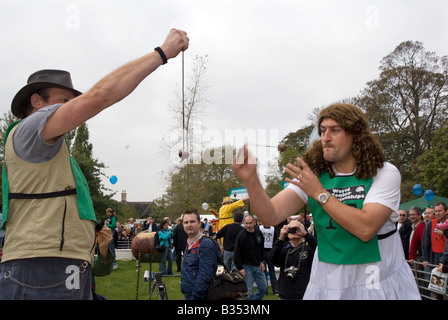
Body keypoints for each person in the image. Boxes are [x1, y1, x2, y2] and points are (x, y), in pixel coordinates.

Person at [0, 28, 189, 300]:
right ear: (36, 102)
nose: (70, 108)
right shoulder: (30, 129)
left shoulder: (53, 150)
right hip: (41, 265)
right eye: (63, 102)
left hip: (59, 264)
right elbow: (100, 96)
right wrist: (162, 53)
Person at [232, 103, 420, 300]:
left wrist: (320, 193)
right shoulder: (313, 176)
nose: (326, 137)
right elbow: (270, 215)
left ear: (356, 135)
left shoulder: (384, 172)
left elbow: (366, 228)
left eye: (335, 130)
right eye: (322, 131)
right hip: (329, 280)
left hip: (377, 279)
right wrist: (251, 180)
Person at [268, 220, 316, 300]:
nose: (294, 231)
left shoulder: (309, 249)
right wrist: (280, 239)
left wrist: (306, 234)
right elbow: (272, 258)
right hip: (285, 294)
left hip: (304, 294)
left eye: (297, 229)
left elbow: (319, 248)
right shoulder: (285, 250)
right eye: (291, 229)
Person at [180, 209, 218, 300]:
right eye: (186, 222)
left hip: (199, 296)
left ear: (199, 223)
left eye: (192, 221)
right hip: (189, 293)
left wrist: (195, 296)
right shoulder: (189, 242)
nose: (189, 225)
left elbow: (206, 275)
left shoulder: (205, 244)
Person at [234, 215, 267, 300]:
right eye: (246, 223)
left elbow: (261, 249)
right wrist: (241, 268)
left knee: (263, 288)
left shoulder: (258, 233)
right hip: (246, 266)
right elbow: (236, 254)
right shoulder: (241, 236)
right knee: (249, 292)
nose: (248, 225)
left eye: (250, 223)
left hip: (258, 265)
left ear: (255, 223)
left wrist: (261, 261)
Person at [259, 223, 278, 295]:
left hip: (263, 251)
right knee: (272, 272)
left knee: (264, 272)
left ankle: (265, 291)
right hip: (270, 251)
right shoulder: (273, 229)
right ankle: (275, 291)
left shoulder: (260, 228)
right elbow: (275, 241)